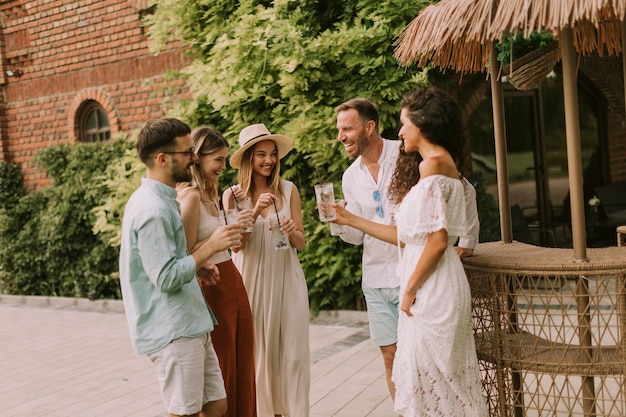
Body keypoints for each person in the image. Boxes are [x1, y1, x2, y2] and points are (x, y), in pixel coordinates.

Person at [333, 98, 479, 400]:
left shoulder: (410, 157)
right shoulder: (350, 177)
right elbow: (358, 236)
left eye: (347, 128)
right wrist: (340, 221)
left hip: (415, 276)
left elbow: (460, 193)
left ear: (369, 127)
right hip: (376, 277)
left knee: (427, 366)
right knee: (394, 359)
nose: (341, 136)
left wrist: (467, 240)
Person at [119, 118, 243, 417]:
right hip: (172, 328)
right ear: (162, 159)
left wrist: (198, 266)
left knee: (216, 405)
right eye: (187, 153)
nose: (194, 158)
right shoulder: (153, 210)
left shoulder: (165, 201)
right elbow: (165, 278)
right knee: (184, 412)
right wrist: (212, 246)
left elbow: (169, 263)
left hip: (191, 320)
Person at [222, 123, 309, 417]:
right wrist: (256, 211)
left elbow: (301, 242)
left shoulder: (289, 189)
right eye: (261, 154)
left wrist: (291, 229)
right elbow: (236, 246)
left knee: (292, 354)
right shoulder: (232, 196)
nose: (268, 161)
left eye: (272, 154)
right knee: (258, 355)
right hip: (251, 280)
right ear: (248, 158)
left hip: (286, 278)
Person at [177, 126, 257, 417]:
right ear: (197, 157)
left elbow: (229, 244)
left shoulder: (212, 194)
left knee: (244, 365)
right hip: (213, 289)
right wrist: (213, 244)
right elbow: (184, 254)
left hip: (234, 282)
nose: (224, 167)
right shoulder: (190, 198)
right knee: (223, 370)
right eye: (218, 160)